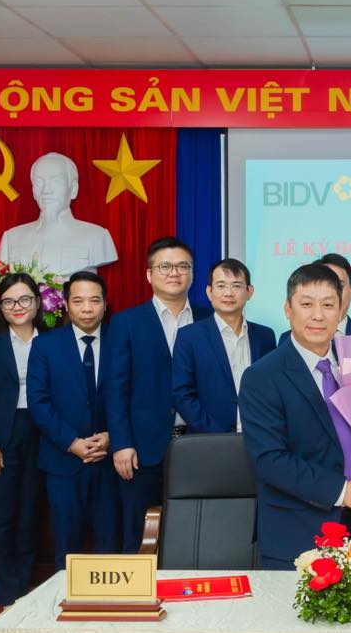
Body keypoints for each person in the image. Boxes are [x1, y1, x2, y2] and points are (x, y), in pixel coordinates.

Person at [238, 263, 351, 568]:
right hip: (298, 534)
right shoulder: (262, 376)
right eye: (307, 304)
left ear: (341, 311)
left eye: (328, 305)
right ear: (288, 309)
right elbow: (270, 460)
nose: (318, 315)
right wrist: (344, 491)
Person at [104, 237, 207, 553]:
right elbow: (116, 388)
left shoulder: (208, 319)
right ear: (149, 275)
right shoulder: (126, 322)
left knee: (196, 532)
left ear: (192, 274)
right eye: (165, 266)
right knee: (139, 535)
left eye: (182, 266)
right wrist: (121, 443)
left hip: (200, 443)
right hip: (142, 448)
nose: (174, 273)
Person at [28, 270, 118, 568]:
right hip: (63, 460)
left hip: (112, 459)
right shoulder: (45, 345)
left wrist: (112, 436)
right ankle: (64, 593)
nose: (87, 308)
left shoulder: (122, 340)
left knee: (110, 542)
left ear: (105, 304)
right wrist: (72, 442)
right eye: (78, 301)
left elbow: (136, 395)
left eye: (95, 300)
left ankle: (112, 597)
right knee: (66, 543)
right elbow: (39, 402)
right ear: (66, 304)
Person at [0, 271, 45, 607]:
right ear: (0, 307)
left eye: (24, 299)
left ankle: (24, 588)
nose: (18, 306)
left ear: (38, 302)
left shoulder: (51, 339)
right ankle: (5, 594)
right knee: (1, 517)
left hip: (43, 433)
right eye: (9, 301)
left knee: (30, 515)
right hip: (3, 434)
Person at [172, 258, 277, 433]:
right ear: (209, 292)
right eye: (221, 286)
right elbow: (181, 394)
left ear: (249, 292)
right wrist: (214, 434)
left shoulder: (265, 336)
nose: (228, 293)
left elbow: (272, 389)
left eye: (236, 286)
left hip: (258, 436)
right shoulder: (189, 337)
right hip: (208, 439)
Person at [0, 152, 118, 275]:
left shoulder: (97, 237)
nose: (46, 190)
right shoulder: (11, 238)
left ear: (73, 189)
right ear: (33, 191)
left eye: (56, 181)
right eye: (39, 182)